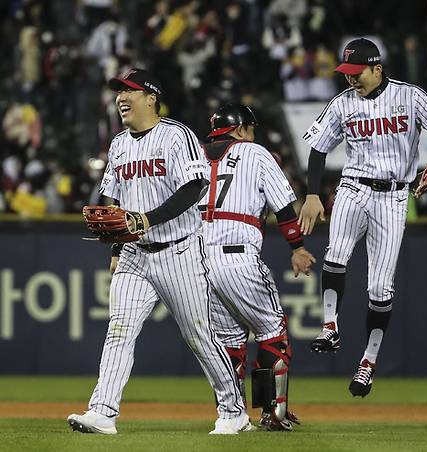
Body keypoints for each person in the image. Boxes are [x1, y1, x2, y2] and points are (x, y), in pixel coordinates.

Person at [67, 68, 251, 435]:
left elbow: (196, 186)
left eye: (129, 91)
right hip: (135, 255)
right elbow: (116, 202)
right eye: (118, 92)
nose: (121, 97)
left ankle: (234, 412)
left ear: (151, 97)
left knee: (200, 334)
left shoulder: (175, 135)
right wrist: (118, 246)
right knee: (119, 330)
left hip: (178, 251)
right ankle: (103, 411)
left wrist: (148, 219)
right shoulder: (119, 144)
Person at [298, 38, 427, 397]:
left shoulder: (410, 96)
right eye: (347, 73)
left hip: (394, 196)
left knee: (379, 288)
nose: (351, 79)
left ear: (377, 69)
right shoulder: (342, 104)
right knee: (335, 254)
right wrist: (311, 194)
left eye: (357, 73)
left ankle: (368, 363)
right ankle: (329, 326)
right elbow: (317, 149)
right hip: (353, 187)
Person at [198, 104, 316, 430]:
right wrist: (298, 247)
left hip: (197, 262)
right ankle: (273, 413)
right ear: (242, 129)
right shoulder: (256, 153)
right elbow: (283, 206)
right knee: (271, 330)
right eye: (251, 129)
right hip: (239, 256)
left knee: (229, 344)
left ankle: (232, 416)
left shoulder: (193, 155)